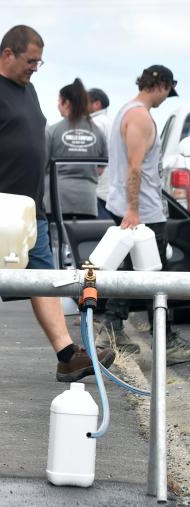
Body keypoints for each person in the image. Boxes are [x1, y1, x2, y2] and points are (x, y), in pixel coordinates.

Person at [0, 25, 115, 382]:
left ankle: (67, 355)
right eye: (31, 61)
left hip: (27, 210)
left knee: (42, 277)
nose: (35, 68)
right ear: (8, 53)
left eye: (39, 63)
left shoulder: (27, 90)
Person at [96, 65, 190, 365]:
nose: (166, 99)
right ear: (160, 84)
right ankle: (164, 341)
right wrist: (134, 210)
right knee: (153, 275)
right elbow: (135, 167)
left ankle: (111, 330)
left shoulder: (127, 111)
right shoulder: (139, 116)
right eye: (167, 91)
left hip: (130, 207)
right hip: (142, 210)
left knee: (130, 272)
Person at [45, 78, 107, 219]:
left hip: (55, 201)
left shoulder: (53, 131)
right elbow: (101, 168)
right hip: (87, 203)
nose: (58, 105)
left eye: (59, 101)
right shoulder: (98, 132)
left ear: (66, 103)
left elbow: (43, 165)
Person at [88, 88, 113, 219]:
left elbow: (92, 156)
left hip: (98, 190)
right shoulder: (111, 123)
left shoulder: (95, 123)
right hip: (110, 190)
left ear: (96, 104)